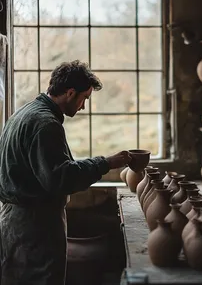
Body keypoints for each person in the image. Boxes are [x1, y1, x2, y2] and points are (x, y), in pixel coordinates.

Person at [0, 60, 132, 285]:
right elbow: (61, 178)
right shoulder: (45, 124)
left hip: (13, 219)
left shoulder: (24, 112)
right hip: (35, 225)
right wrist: (106, 163)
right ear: (70, 93)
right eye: (84, 99)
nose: (83, 107)